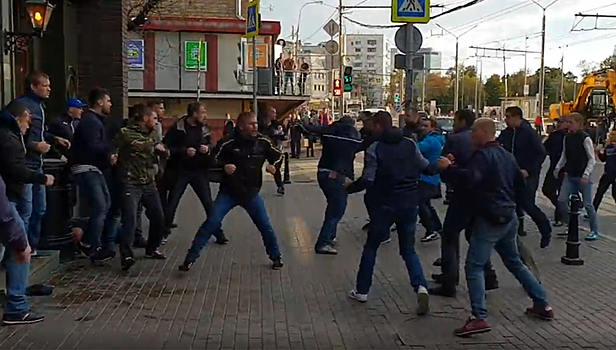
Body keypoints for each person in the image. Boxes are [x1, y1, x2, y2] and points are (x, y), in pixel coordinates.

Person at [437, 118, 553, 337]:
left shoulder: (483, 155)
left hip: (490, 217)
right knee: (515, 262)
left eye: (474, 132)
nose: (471, 136)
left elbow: (471, 179)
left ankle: (478, 316)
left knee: (474, 266)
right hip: (508, 216)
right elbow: (519, 183)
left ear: (483, 132)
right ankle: (543, 303)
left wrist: (449, 168)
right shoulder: (506, 156)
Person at [346, 111, 432, 316]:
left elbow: (368, 179)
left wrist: (348, 188)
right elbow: (426, 167)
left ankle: (362, 290)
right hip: (410, 204)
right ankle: (420, 286)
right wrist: (444, 167)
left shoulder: (375, 148)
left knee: (371, 247)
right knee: (408, 250)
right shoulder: (410, 144)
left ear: (377, 126)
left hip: (384, 205)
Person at [179, 111, 283, 271]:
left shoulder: (263, 142)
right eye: (251, 124)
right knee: (212, 222)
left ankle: (276, 257)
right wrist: (224, 167)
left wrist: (274, 166)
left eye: (256, 123)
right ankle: (190, 258)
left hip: (251, 193)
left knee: (265, 226)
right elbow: (212, 160)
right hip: (229, 192)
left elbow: (278, 155)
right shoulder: (228, 143)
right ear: (241, 126)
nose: (255, 126)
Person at [429, 109, 498, 298]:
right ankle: (489, 275)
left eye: (455, 120)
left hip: (461, 195)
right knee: (474, 235)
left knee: (450, 235)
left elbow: (443, 165)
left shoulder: (455, 139)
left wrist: (448, 170)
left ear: (461, 121)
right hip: (480, 197)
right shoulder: (486, 145)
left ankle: (450, 280)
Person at [7, 71, 69, 257]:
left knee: (39, 209)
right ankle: (20, 250)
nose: (49, 89)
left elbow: (38, 132)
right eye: (45, 85)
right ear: (33, 87)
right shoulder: (21, 106)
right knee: (25, 210)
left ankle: (32, 247)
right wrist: (35, 145)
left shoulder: (39, 107)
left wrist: (54, 139)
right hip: (26, 165)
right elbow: (13, 135)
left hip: (37, 164)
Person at [163, 101, 228, 244]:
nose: (205, 115)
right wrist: (183, 151)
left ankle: (218, 233)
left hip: (199, 171)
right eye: (203, 112)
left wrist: (207, 148)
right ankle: (162, 233)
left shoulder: (204, 128)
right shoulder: (178, 128)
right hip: (180, 170)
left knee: (208, 203)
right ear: (194, 113)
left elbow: (212, 144)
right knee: (172, 202)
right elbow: (166, 147)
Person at [114, 104, 168, 271]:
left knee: (158, 217)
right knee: (129, 219)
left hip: (149, 182)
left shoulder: (153, 133)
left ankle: (152, 248)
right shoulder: (125, 133)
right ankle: (127, 255)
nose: (156, 121)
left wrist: (164, 151)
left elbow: (163, 150)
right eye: (154, 118)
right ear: (145, 119)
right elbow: (117, 146)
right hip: (131, 181)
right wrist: (112, 155)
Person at [303, 116, 363, 255]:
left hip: (323, 172)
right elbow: (364, 143)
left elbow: (310, 129)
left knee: (333, 205)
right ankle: (324, 242)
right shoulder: (353, 135)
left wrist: (302, 124)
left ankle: (331, 235)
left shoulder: (329, 130)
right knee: (337, 209)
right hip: (339, 175)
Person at [71, 87, 117, 264]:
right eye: (108, 100)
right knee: (101, 205)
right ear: (100, 102)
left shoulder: (95, 121)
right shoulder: (91, 121)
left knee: (105, 204)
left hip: (94, 168)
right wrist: (109, 151)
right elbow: (93, 146)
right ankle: (90, 244)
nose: (110, 104)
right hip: (86, 168)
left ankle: (90, 241)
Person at [497, 106, 551, 248]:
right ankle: (512, 233)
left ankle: (545, 230)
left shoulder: (529, 133)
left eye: (508, 117)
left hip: (528, 174)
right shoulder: (507, 133)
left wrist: (529, 169)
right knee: (511, 202)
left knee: (528, 203)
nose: (506, 119)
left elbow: (541, 153)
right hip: (511, 173)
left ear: (517, 117)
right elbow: (498, 144)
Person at [0, 173, 44, 325]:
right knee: (18, 251)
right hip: (11, 198)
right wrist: (20, 243)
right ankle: (17, 307)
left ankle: (17, 306)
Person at [554, 112, 600, 241]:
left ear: (579, 124)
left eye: (571, 123)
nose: (568, 125)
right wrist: (558, 168)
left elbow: (592, 159)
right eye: (567, 122)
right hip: (570, 174)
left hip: (582, 176)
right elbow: (564, 155)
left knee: (588, 205)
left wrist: (586, 174)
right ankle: (571, 226)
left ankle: (594, 230)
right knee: (562, 200)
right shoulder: (567, 138)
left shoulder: (585, 138)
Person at [417, 118, 445, 243]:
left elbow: (415, 149)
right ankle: (437, 227)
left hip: (426, 176)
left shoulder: (430, 141)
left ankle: (431, 229)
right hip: (433, 177)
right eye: (422, 125)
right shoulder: (438, 139)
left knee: (420, 204)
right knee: (426, 204)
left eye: (426, 126)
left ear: (433, 128)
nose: (423, 128)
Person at [542, 119, 567, 226]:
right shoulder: (554, 135)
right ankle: (561, 208)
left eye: (561, 122)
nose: (559, 124)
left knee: (562, 193)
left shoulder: (569, 136)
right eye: (558, 122)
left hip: (564, 168)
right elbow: (544, 147)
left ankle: (560, 217)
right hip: (554, 166)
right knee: (547, 189)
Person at [259, 107, 286, 195]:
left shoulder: (276, 125)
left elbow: (282, 135)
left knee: (276, 168)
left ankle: (280, 186)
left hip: (274, 149)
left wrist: (282, 135)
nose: (275, 115)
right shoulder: (261, 125)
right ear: (269, 114)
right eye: (273, 113)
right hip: (262, 149)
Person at [593, 130, 616, 211]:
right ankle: (593, 210)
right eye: (611, 135)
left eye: (614, 135)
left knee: (614, 193)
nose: (612, 136)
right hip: (607, 172)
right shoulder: (608, 147)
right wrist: (598, 153)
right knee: (600, 191)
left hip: (615, 173)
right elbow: (604, 159)